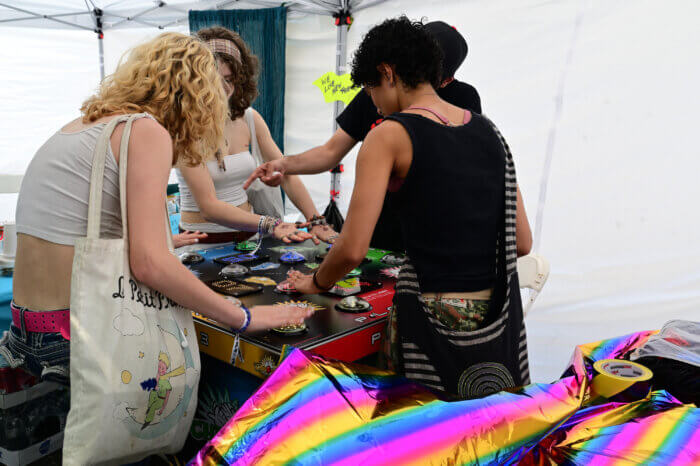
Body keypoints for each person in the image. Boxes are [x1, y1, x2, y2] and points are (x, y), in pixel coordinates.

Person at [0, 33, 314, 386]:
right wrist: (242, 317)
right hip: (72, 336)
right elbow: (148, 264)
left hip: (26, 332)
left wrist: (167, 244)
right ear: (196, 95)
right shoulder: (146, 131)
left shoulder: (92, 123)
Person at [288, 17, 533, 398]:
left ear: (387, 73)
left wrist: (316, 281)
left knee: (419, 435)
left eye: (370, 90)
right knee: (483, 436)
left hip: (430, 319)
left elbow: (352, 249)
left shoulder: (388, 135)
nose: (373, 102)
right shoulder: (491, 133)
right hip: (498, 322)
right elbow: (522, 242)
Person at [244, 21, 481, 252]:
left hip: (433, 238)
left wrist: (318, 281)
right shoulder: (377, 91)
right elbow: (330, 151)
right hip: (382, 230)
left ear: (446, 79)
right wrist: (283, 164)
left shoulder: (463, 101)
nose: (378, 108)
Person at [175, 27, 338, 245]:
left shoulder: (249, 118)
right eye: (214, 80)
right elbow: (209, 207)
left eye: (229, 80)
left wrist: (315, 220)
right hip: (201, 246)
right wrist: (272, 224)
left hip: (249, 241)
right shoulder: (183, 127)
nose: (223, 89)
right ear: (196, 80)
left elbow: (287, 172)